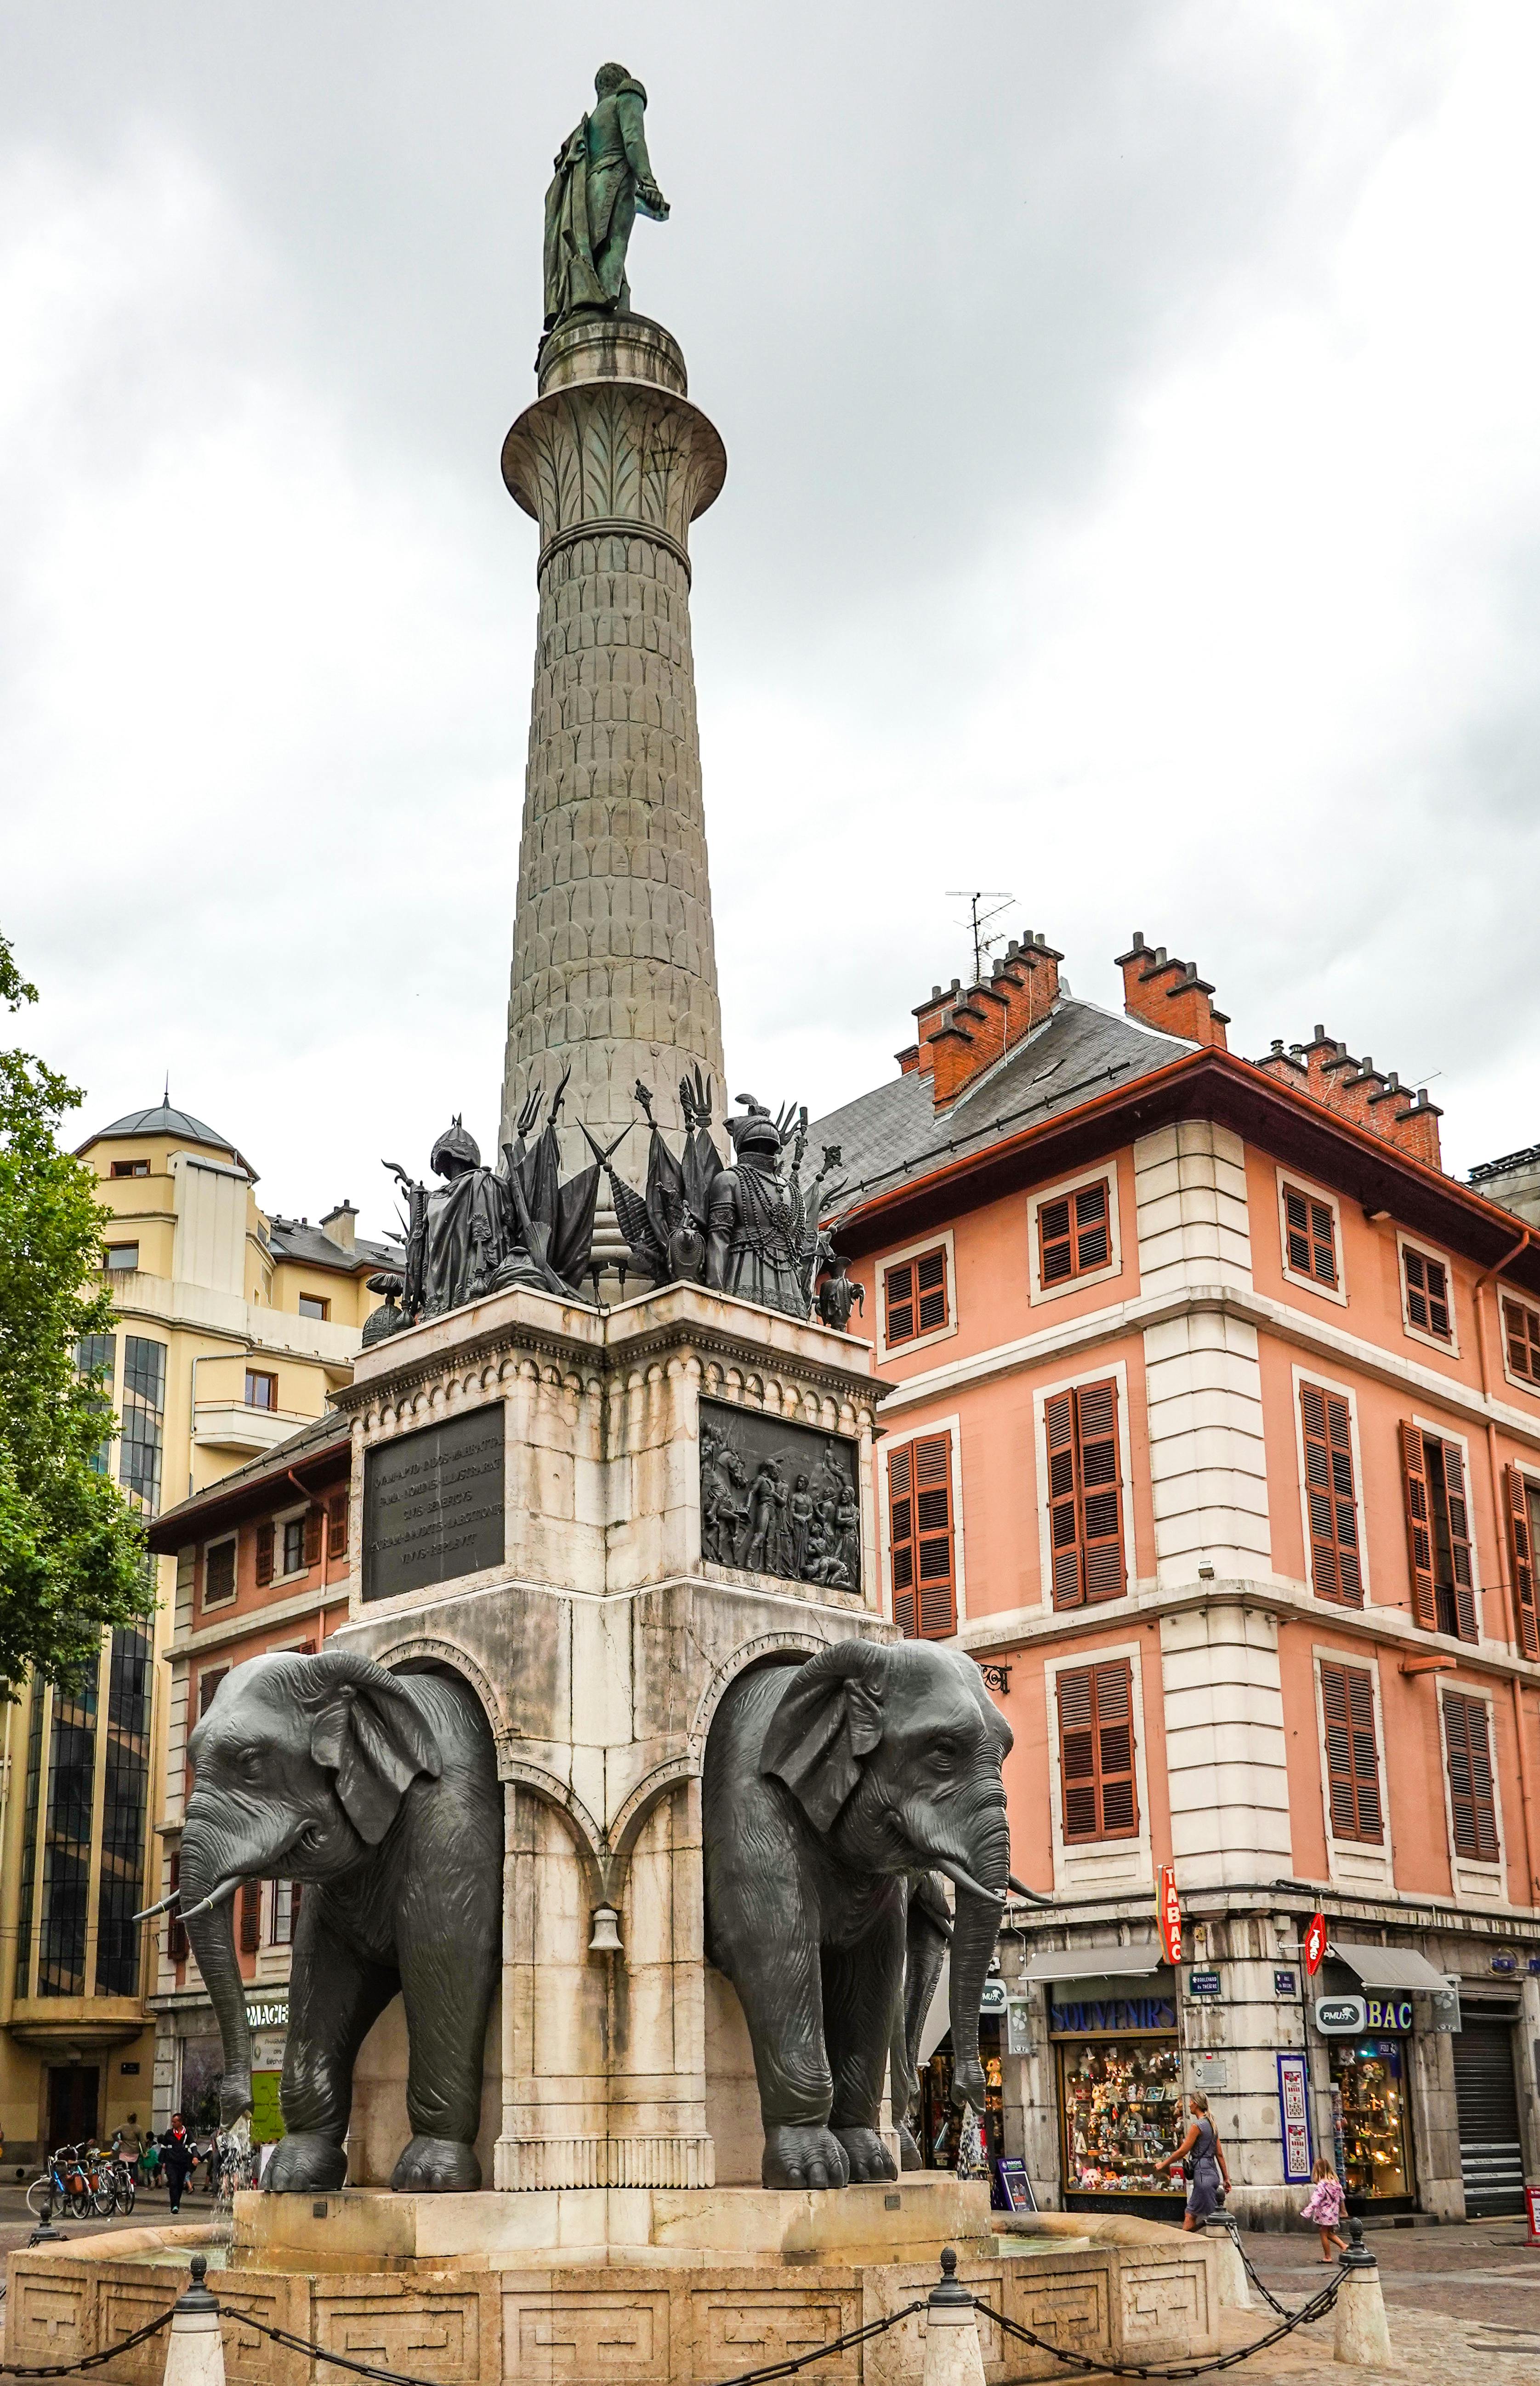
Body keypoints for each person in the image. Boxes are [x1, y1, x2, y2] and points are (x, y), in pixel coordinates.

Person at [1166, 2090, 1229, 2230]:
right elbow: (1219, 2154)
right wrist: (1226, 2178)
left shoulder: (1198, 2126)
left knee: (1214, 2218)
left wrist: (1164, 2164)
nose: (1188, 2105)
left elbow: (1183, 2151)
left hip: (1202, 2176)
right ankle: (1187, 2244)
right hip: (1212, 2174)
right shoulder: (1212, 2125)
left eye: (1190, 2102)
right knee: (1192, 2214)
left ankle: (1225, 2242)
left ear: (1196, 2104)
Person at [1301, 2155, 1347, 2259]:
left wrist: (1307, 2212)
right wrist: (1343, 2211)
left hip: (1324, 2214)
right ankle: (1343, 2246)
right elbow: (1342, 2198)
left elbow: (1316, 2200)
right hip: (1334, 2214)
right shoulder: (1336, 2184)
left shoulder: (1322, 2185)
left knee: (1323, 2234)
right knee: (1329, 2233)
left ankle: (1328, 2256)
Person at [160, 2115, 195, 2215]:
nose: (173, 2124)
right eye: (172, 2122)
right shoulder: (169, 2134)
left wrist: (195, 2157)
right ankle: (174, 2206)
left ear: (180, 2123)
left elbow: (193, 2145)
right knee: (173, 2183)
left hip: (183, 2162)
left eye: (175, 2122)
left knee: (180, 2184)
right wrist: (162, 2162)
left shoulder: (188, 2133)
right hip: (171, 2162)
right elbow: (164, 2147)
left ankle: (177, 2205)